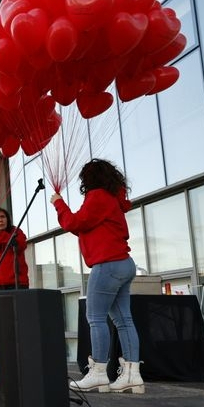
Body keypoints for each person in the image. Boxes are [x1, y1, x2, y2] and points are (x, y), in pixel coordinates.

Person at [51, 159, 144, 394]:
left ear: (89, 179)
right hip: (124, 263)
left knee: (96, 318)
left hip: (108, 264)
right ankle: (132, 376)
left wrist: (58, 204)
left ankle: (99, 373)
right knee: (124, 321)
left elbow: (74, 222)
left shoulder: (98, 197)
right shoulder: (112, 198)